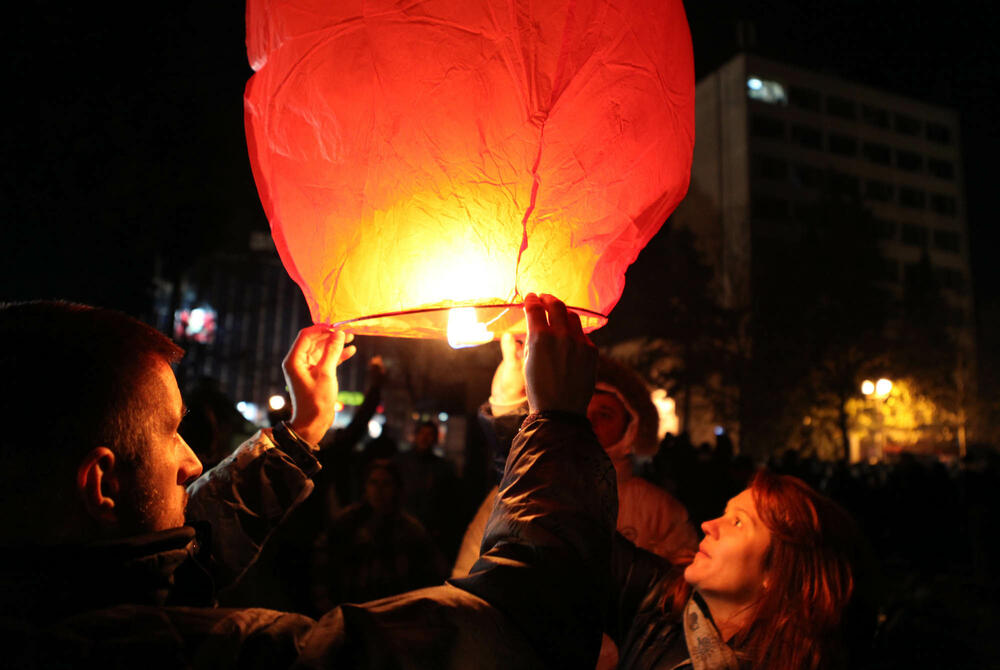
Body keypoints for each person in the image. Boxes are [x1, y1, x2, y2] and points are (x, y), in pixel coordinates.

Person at [0, 294, 616, 669]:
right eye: (169, 432)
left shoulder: (57, 596)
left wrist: (298, 433)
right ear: (101, 483)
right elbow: (506, 640)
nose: (192, 461)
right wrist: (550, 423)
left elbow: (183, 559)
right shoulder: (184, 654)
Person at [607, 470, 869, 670]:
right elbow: (583, 536)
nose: (708, 525)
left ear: (776, 572)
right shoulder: (657, 601)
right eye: (724, 513)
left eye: (738, 522)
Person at [310, 458, 447, 610]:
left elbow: (429, 574)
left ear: (396, 488)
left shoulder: (410, 529)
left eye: (386, 483)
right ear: (365, 487)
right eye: (373, 483)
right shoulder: (346, 522)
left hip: (393, 612)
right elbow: (322, 565)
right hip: (350, 609)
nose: (379, 490)